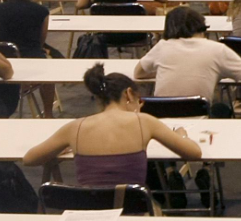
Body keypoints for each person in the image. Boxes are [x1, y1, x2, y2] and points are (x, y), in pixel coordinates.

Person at [23, 63, 202, 185]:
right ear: (129, 94)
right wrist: (182, 135)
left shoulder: (75, 128)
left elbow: (29, 159)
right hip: (132, 211)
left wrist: (61, 146)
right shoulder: (145, 122)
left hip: (89, 213)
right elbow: (194, 153)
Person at [135, 7, 241, 114]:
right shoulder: (217, 50)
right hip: (199, 118)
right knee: (221, 109)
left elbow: (138, 73)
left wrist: (163, 71)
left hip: (162, 122)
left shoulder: (162, 46)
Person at [0, 0, 55, 116]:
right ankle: (48, 113)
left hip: (4, 60)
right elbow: (41, 41)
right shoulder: (41, 11)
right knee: (51, 66)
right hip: (31, 58)